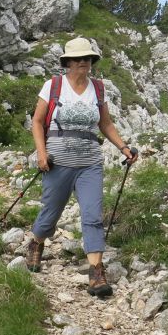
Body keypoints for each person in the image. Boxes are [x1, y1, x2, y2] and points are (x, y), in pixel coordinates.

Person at [28, 36, 139, 297]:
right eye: (79, 59)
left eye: (88, 59)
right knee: (51, 213)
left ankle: (96, 274)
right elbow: (37, 121)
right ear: (68, 62)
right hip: (58, 161)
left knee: (92, 215)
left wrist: (123, 147)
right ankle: (36, 243)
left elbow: (106, 124)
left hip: (90, 162)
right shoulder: (53, 86)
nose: (84, 63)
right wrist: (42, 153)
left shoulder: (98, 89)